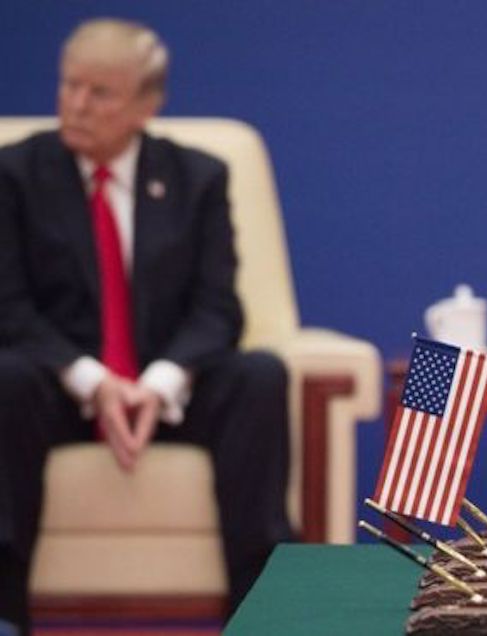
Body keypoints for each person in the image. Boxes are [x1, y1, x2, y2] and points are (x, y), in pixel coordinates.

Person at [0, 19, 292, 633]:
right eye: (69, 85)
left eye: (100, 92)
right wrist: (93, 381)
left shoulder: (199, 178)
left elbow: (219, 309)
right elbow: (9, 305)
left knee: (260, 376)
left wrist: (157, 385)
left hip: (166, 390)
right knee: (5, 377)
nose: (76, 104)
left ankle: (263, 615)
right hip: (56, 387)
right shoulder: (15, 175)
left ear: (146, 104)